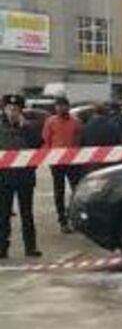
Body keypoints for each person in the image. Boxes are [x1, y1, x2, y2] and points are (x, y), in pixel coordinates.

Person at [0, 93, 41, 258]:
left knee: (27, 214)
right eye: (9, 108)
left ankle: (30, 247)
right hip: (4, 179)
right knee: (2, 215)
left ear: (21, 110)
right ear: (4, 109)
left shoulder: (29, 127)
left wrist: (26, 127)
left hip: (25, 178)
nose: (12, 111)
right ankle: (2, 248)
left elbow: (38, 145)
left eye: (16, 109)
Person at [43, 95, 85, 234]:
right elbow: (46, 141)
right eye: (58, 106)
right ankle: (62, 221)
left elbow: (80, 141)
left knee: (76, 191)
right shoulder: (50, 121)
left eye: (63, 105)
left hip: (73, 162)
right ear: (55, 108)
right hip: (56, 163)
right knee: (59, 191)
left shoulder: (76, 122)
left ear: (68, 106)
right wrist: (49, 158)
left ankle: (75, 217)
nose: (61, 108)